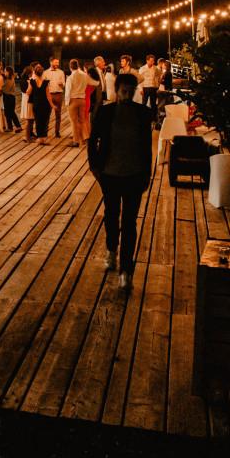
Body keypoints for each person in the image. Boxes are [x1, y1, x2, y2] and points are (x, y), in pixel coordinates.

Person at [87, 73, 153, 290]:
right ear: (116, 91)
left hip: (134, 175)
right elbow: (93, 139)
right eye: (124, 91)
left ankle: (126, 269)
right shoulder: (106, 112)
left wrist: (147, 174)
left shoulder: (142, 114)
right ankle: (111, 249)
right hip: (110, 174)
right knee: (111, 215)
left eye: (131, 92)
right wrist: (94, 166)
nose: (127, 95)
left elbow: (147, 147)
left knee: (130, 222)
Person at [65, 59, 90, 147]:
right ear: (78, 65)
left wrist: (67, 103)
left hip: (73, 100)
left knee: (74, 121)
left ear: (70, 67)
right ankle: (86, 138)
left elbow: (68, 92)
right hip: (82, 99)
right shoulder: (85, 75)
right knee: (82, 120)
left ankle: (75, 141)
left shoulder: (70, 78)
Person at [44, 58, 66, 137]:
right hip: (49, 94)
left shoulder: (61, 72)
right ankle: (45, 131)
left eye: (58, 63)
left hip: (58, 94)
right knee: (47, 114)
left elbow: (64, 84)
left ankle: (57, 132)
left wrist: (62, 84)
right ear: (51, 62)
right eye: (56, 62)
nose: (57, 64)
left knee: (58, 114)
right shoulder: (45, 72)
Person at [1, 65, 21, 132]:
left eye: (5, 71)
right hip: (11, 97)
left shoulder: (9, 80)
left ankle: (16, 126)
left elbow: (4, 89)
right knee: (10, 112)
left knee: (9, 112)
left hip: (8, 97)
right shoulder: (11, 78)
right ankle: (12, 127)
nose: (4, 72)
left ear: (8, 72)